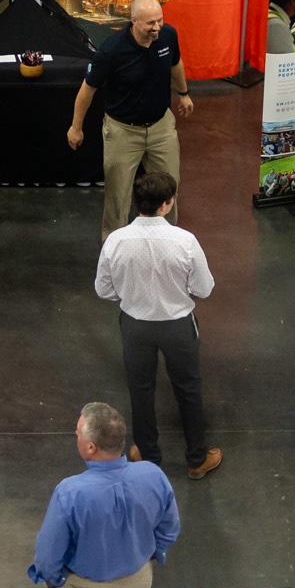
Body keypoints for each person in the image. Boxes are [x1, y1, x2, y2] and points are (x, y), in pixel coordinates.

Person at [94, 170, 219, 478]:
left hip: (135, 326)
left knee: (140, 390)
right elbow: (204, 288)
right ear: (167, 203)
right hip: (177, 326)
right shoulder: (185, 241)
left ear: (138, 203)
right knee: (188, 389)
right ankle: (196, 459)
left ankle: (148, 456)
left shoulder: (115, 241)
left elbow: (104, 290)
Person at [28, 402, 180, 588]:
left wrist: (54, 581)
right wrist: (149, 556)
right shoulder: (153, 475)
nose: (75, 434)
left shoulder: (70, 493)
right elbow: (169, 529)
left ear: (91, 447)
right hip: (136, 585)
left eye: (77, 432)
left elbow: (48, 556)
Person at [68, 0, 193, 233]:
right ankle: (114, 249)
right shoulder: (111, 51)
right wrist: (76, 127)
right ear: (133, 21)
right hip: (123, 130)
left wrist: (184, 93)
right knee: (118, 196)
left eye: (159, 20)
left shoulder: (168, 35)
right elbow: (88, 89)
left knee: (169, 188)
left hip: (161, 126)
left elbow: (175, 62)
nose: (156, 27)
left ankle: (168, 241)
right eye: (150, 23)